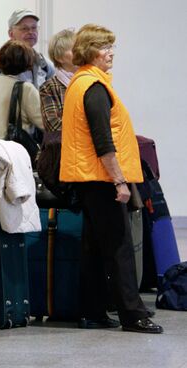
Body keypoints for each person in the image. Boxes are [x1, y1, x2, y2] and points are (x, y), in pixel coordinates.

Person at [59, 24, 163, 334]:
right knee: (119, 246)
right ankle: (133, 314)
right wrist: (119, 181)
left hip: (88, 177)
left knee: (94, 248)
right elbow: (103, 142)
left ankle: (93, 311)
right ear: (90, 51)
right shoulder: (94, 87)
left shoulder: (81, 83)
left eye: (111, 47)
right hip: (101, 178)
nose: (111, 53)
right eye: (105, 48)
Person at [0, 8, 54, 105]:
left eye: (34, 27)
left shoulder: (45, 65)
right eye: (24, 28)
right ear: (11, 33)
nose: (31, 32)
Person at [39, 29, 77, 132]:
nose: (80, 53)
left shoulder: (91, 81)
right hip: (63, 146)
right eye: (74, 50)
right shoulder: (49, 87)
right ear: (60, 58)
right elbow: (53, 125)